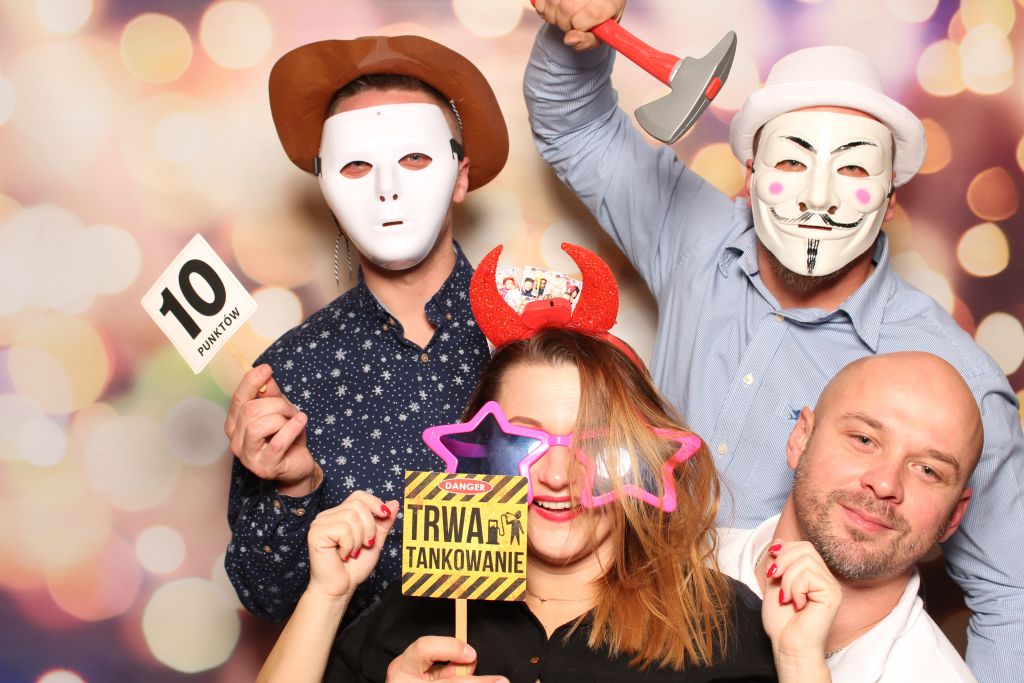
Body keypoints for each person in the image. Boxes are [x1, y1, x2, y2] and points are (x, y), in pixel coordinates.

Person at [524, 2, 1024, 678]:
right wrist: (577, 29)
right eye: (793, 160)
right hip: (629, 631)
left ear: (890, 201)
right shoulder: (697, 236)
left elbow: (1011, 594)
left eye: (853, 170)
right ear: (752, 174)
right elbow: (574, 125)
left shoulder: (955, 381)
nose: (817, 198)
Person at [256, 242, 811, 681]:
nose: (556, 476)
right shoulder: (420, 609)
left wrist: (801, 660)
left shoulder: (718, 620)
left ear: (642, 457)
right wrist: (327, 596)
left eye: (591, 444)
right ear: (477, 451)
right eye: (524, 442)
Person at [223, 35, 509, 622]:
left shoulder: (533, 334)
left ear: (460, 177)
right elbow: (269, 602)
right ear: (327, 192)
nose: (387, 188)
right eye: (356, 165)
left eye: (414, 158)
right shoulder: (288, 371)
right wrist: (293, 490)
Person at [718, 352, 982, 682]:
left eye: (928, 470)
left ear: (954, 515)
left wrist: (800, 664)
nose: (885, 484)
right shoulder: (677, 560)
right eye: (864, 440)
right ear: (801, 439)